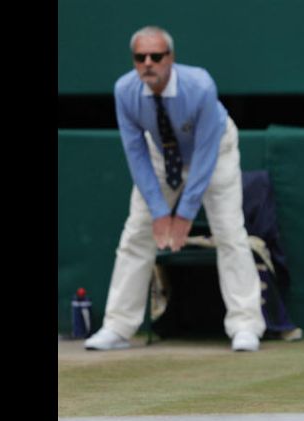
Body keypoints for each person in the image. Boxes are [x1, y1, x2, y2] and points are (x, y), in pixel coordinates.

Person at [85, 26, 265, 352]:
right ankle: (117, 327)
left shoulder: (200, 86)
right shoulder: (124, 91)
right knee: (136, 233)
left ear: (171, 58)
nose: (148, 63)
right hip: (160, 154)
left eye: (156, 56)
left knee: (229, 232)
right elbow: (135, 151)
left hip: (215, 150)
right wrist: (158, 212)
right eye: (141, 57)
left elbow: (207, 152)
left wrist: (183, 213)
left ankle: (245, 325)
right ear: (134, 61)